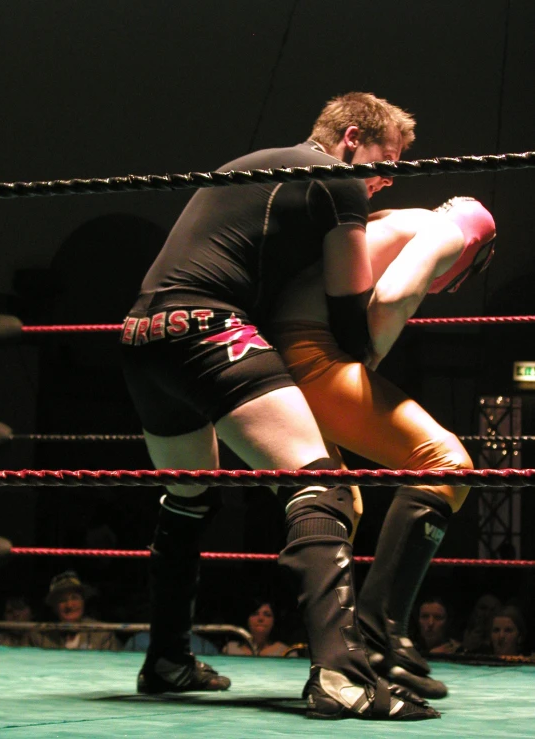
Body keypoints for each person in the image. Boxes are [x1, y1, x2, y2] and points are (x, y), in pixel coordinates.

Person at [121, 92, 440, 720]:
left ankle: (166, 660)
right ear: (351, 137)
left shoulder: (261, 161)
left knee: (188, 497)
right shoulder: (337, 179)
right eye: (387, 157)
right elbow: (349, 314)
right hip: (204, 328)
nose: (389, 176)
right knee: (320, 485)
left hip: (140, 336)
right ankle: (342, 679)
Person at [272, 195, 496, 700]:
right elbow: (394, 296)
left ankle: (343, 650)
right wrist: (365, 363)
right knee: (447, 464)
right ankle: (380, 635)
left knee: (341, 500)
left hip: (278, 352)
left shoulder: (389, 220)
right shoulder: (450, 230)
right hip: (310, 352)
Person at [30, 570, 122, 651]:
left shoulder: (102, 634)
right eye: (62, 600)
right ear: (54, 607)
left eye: (75, 598)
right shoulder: (39, 637)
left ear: (83, 602)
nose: (69, 605)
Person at [223, 599, 289, 657]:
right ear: (247, 619)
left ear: (274, 620)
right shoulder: (230, 649)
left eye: (267, 615)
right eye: (255, 614)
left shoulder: (286, 652)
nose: (261, 618)